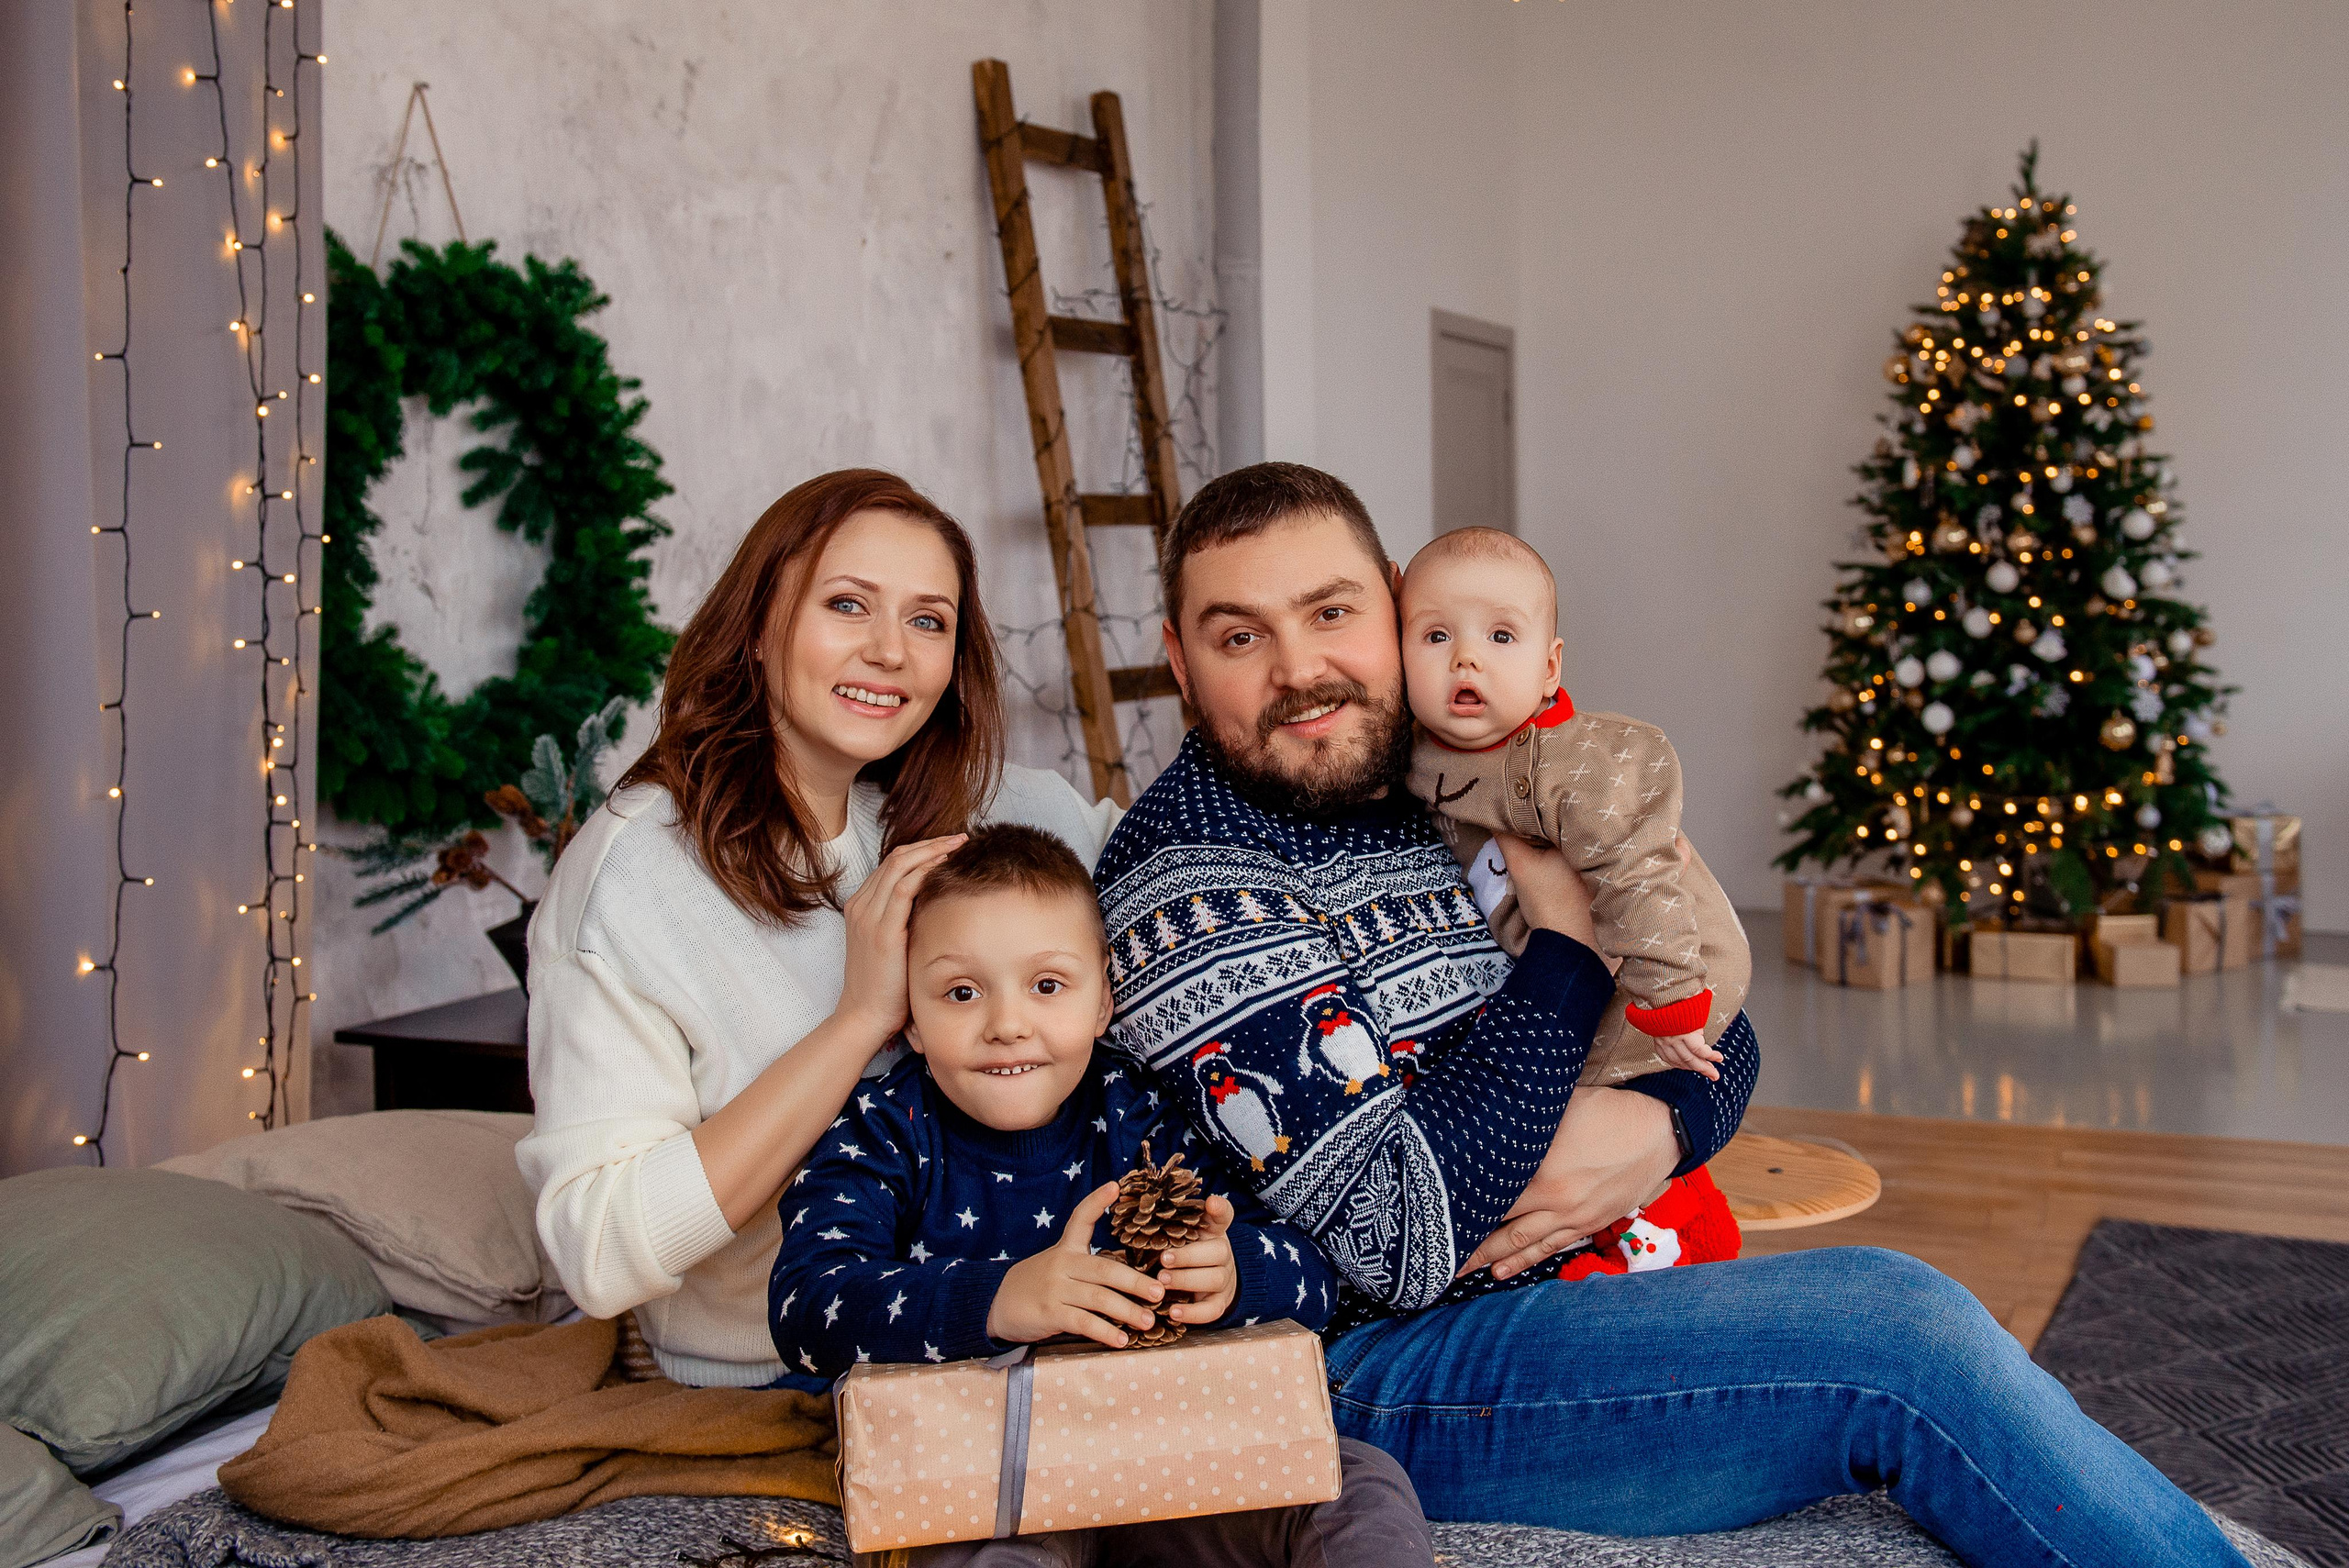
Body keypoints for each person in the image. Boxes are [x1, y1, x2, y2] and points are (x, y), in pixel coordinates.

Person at [1095, 461, 2251, 1568]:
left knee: (1916, 1329)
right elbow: (1402, 1237)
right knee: (1898, 1335)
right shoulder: (1190, 888)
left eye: (1331, 613)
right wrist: (1563, 943)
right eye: (1239, 634)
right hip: (1368, 1373)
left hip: (1541, 1291)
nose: (1301, 670)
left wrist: (1658, 1130)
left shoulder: (1428, 784)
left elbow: (1710, 1012)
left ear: (1395, 612)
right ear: (1179, 665)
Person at [517, 470, 1118, 1390]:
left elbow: (1177, 849)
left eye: (928, 620)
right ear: (757, 628)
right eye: (847, 604)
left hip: (1034, 1331)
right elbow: (599, 1250)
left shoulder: (992, 808)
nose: (890, 651)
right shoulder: (633, 879)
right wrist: (858, 1019)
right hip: (789, 1374)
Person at [771, 824, 1431, 1568]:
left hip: (1172, 1463)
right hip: (989, 1483)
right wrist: (1000, 1298)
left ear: (1101, 1000)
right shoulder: (883, 1129)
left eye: (1047, 985)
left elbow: (1316, 1275)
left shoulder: (1142, 1108)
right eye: (961, 992)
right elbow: (804, 1307)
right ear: (911, 1018)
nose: (1007, 1024)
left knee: (1366, 1482)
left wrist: (1236, 1269)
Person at [1398, 525, 1749, 1089]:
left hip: (1669, 970)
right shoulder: (1412, 747)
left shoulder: (1573, 766)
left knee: (1579, 1090)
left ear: (1550, 669)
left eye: (1502, 637)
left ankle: (1674, 1170)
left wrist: (1671, 1001)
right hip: (1546, 960)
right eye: (1436, 636)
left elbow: (1634, 877)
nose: (1466, 658)